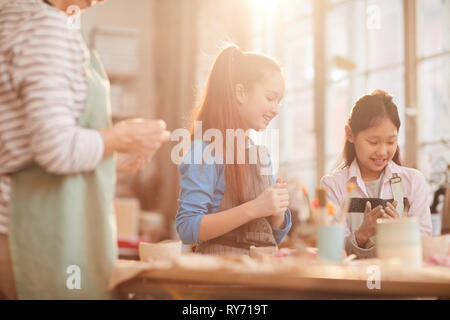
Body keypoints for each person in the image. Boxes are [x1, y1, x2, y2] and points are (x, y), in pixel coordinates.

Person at [0, 0, 170, 299]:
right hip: (38, 230)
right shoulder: (45, 29)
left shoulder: (13, 16)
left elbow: (23, 145)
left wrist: (110, 158)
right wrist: (120, 136)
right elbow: (55, 148)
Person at [175, 45, 292, 255]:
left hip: (259, 274)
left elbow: (269, 238)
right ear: (241, 92)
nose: (275, 109)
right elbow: (187, 227)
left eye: (279, 101)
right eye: (270, 98)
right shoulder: (206, 150)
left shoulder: (261, 155)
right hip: (219, 276)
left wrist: (277, 211)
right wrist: (255, 208)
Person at [321, 90, 432, 259]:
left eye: (390, 142)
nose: (382, 151)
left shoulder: (413, 181)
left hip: (400, 281)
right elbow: (331, 251)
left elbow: (424, 244)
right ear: (350, 134)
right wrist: (362, 234)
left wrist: (401, 231)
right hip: (351, 282)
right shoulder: (332, 185)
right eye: (373, 142)